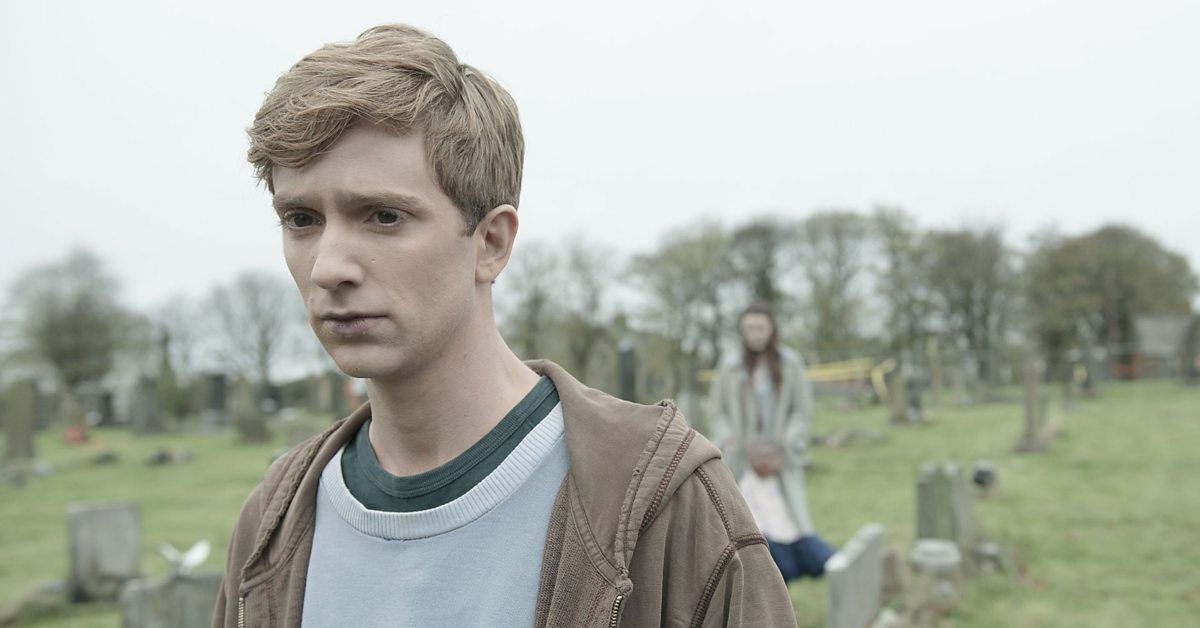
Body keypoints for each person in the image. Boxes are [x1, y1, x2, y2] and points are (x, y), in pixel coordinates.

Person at [213, 24, 797, 628]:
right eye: (301, 219)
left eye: (383, 216)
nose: (328, 267)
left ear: (490, 242)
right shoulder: (274, 523)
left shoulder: (662, 504)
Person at [708, 302, 836, 581]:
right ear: (742, 331)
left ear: (771, 329)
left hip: (780, 460)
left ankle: (804, 569)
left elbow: (802, 408)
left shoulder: (790, 362)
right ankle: (761, 581)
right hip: (742, 461)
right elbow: (717, 410)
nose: (756, 334)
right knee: (748, 525)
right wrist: (728, 439)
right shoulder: (730, 365)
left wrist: (788, 440)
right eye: (750, 328)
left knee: (789, 523)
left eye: (761, 327)